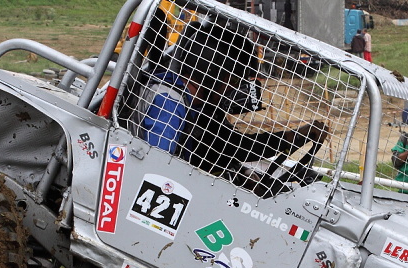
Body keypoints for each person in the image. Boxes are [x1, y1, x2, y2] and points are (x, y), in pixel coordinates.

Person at [136, 20, 327, 189]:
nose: (234, 89)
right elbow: (156, 172)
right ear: (214, 74)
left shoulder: (197, 108)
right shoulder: (169, 103)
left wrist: (288, 139)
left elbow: (230, 145)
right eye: (234, 81)